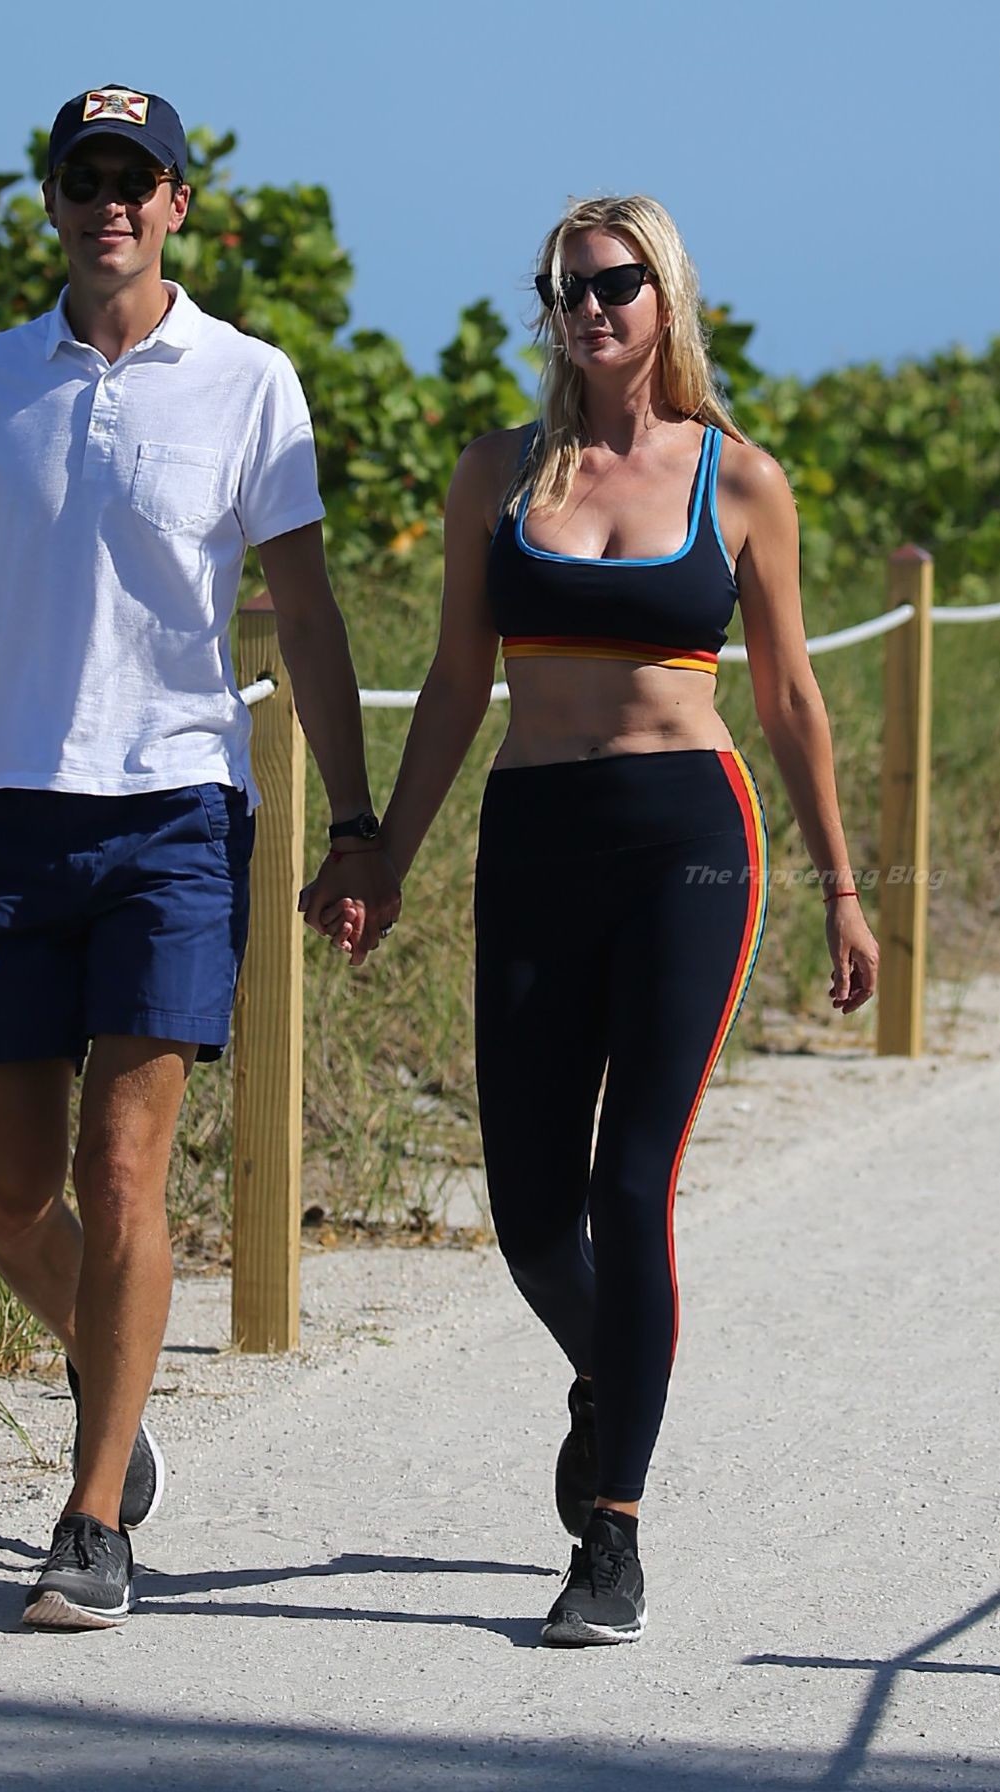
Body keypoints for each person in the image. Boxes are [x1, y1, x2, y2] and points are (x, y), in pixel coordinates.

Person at [0, 82, 400, 1631]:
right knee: (11, 1198)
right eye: (84, 179)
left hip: (174, 816)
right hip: (13, 812)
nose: (109, 205)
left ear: (176, 204)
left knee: (120, 1169)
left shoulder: (249, 380)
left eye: (134, 180)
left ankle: (91, 1520)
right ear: (54, 201)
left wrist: (357, 824)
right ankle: (115, 1377)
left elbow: (308, 614)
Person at [303, 194, 879, 1646]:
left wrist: (843, 889)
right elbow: (455, 682)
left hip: (691, 843)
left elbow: (790, 697)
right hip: (536, 840)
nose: (589, 308)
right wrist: (381, 853)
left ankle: (611, 1532)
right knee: (529, 1213)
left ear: (664, 295)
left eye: (615, 283)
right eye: (564, 288)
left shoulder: (739, 480)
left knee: (632, 1188)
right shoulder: (495, 474)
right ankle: (613, 1375)